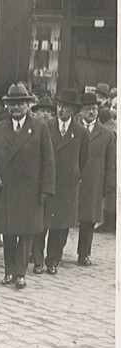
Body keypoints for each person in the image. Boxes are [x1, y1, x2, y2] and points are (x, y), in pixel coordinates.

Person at [0, 83, 55, 289]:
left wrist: (46, 189)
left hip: (30, 190)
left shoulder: (40, 127)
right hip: (6, 189)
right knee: (8, 232)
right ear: (7, 106)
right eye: (12, 104)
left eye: (21, 104)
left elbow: (48, 161)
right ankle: (8, 272)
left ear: (28, 105)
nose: (16, 108)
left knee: (25, 233)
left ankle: (20, 273)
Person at [33, 89, 89, 275]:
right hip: (47, 182)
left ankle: (53, 260)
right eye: (60, 105)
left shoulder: (80, 132)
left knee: (61, 227)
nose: (62, 109)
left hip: (67, 186)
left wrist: (73, 175)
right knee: (41, 225)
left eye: (67, 107)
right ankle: (38, 261)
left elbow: (83, 160)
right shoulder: (45, 126)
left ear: (74, 110)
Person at [77, 92, 115, 265]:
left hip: (94, 182)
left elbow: (111, 163)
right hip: (73, 180)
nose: (91, 112)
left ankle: (84, 253)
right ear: (81, 112)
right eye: (87, 109)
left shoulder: (106, 134)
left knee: (88, 220)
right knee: (65, 218)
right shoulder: (74, 129)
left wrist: (108, 186)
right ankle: (56, 251)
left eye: (93, 109)